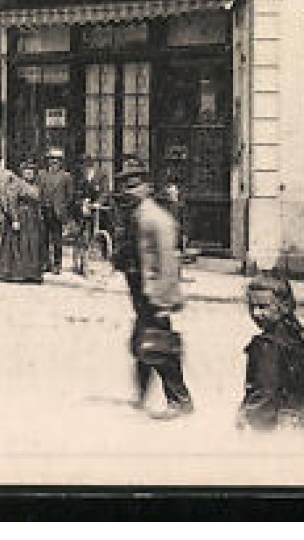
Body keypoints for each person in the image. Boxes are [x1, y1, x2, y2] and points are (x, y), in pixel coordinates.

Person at [117, 158, 194, 419]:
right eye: (126, 184)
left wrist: (164, 299)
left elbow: (168, 261)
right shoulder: (138, 214)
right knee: (144, 340)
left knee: (159, 345)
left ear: (146, 186)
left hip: (154, 293)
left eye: (135, 184)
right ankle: (142, 394)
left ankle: (180, 400)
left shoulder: (155, 217)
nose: (129, 190)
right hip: (143, 289)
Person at [237, 271, 304, 431]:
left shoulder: (266, 344)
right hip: (297, 428)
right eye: (251, 307)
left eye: (263, 307)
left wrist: (247, 426)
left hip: (272, 428)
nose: (255, 313)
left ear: (284, 307)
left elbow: (263, 396)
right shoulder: (295, 337)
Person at [0, 160, 47, 283]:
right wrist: (14, 219)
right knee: (18, 245)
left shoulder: (35, 186)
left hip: (33, 219)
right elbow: (11, 202)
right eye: (27, 172)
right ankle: (16, 274)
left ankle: (32, 274)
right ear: (22, 173)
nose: (29, 174)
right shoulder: (17, 184)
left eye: (31, 172)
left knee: (32, 246)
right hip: (21, 217)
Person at [38, 148, 75, 274]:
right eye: (52, 159)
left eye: (57, 160)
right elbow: (38, 191)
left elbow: (70, 196)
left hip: (57, 212)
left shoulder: (66, 176)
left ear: (61, 162)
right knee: (43, 239)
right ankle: (45, 263)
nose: (54, 162)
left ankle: (57, 264)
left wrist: (63, 208)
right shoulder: (42, 174)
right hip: (44, 210)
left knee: (57, 239)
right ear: (48, 161)